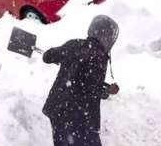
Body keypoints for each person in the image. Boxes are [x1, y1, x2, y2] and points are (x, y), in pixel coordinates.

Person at [42, 15, 120, 146]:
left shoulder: (74, 44)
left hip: (58, 108)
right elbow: (92, 89)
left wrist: (56, 56)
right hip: (80, 118)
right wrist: (106, 91)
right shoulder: (100, 57)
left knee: (62, 141)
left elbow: (47, 57)